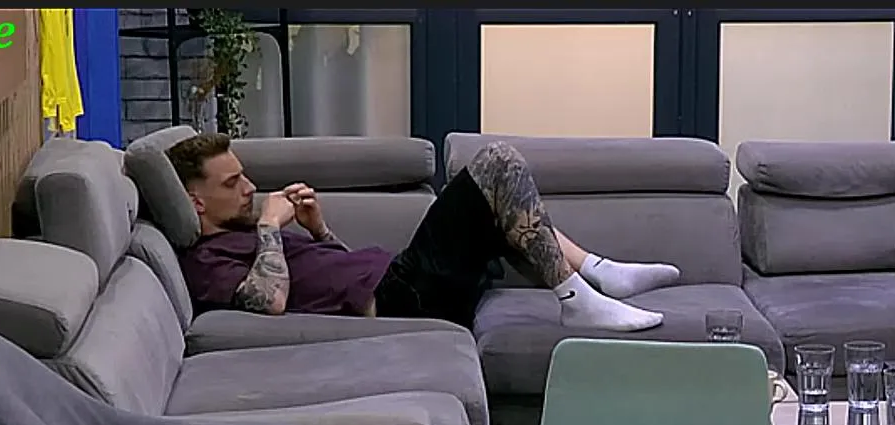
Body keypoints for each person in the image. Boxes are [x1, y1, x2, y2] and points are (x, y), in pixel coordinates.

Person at [167, 134, 680, 332]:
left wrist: (318, 231)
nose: (249, 188)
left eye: (244, 176)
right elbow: (270, 303)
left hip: (399, 281)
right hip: (403, 299)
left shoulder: (249, 234)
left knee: (500, 209)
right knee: (497, 162)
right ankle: (578, 297)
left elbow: (331, 278)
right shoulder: (205, 258)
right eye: (231, 183)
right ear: (195, 201)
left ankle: (598, 274)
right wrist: (269, 226)